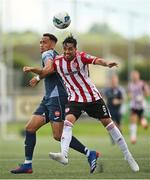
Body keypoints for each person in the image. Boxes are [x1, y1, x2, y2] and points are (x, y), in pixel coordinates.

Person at [24, 35, 139, 172]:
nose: (67, 52)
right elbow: (47, 71)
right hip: (75, 99)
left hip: (92, 98)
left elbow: (96, 60)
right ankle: (64, 155)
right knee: (68, 122)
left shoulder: (82, 57)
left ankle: (128, 155)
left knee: (109, 125)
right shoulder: (58, 61)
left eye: (70, 50)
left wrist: (107, 64)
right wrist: (36, 75)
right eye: (65, 50)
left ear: (75, 49)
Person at [10, 33, 100, 174]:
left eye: (44, 42)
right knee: (30, 128)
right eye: (40, 42)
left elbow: (49, 69)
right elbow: (51, 69)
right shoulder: (53, 54)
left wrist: (34, 73)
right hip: (49, 98)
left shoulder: (48, 53)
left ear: (52, 44)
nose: (41, 45)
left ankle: (90, 153)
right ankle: (27, 165)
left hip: (57, 97)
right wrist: (38, 76)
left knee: (58, 135)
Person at [128, 70, 149, 144]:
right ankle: (133, 138)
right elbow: (129, 93)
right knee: (133, 119)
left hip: (141, 105)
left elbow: (147, 93)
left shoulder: (142, 84)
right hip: (134, 105)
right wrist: (130, 96)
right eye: (133, 76)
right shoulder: (130, 84)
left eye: (135, 75)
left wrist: (142, 96)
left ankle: (144, 122)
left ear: (138, 76)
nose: (134, 77)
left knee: (140, 119)